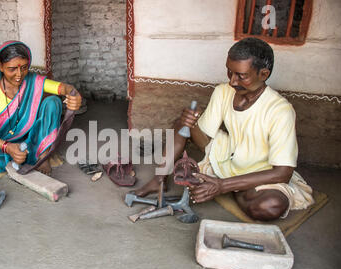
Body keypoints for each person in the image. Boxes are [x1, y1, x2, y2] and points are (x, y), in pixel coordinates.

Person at [133, 37, 314, 221]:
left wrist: (222, 185)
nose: (232, 81)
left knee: (269, 207)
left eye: (241, 76)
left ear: (264, 74)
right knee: (183, 123)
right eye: (229, 72)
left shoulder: (280, 110)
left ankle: (235, 188)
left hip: (260, 171)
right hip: (228, 155)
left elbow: (283, 173)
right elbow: (202, 135)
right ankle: (159, 180)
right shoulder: (223, 91)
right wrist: (191, 120)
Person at [0, 40, 82, 177]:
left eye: (24, 67)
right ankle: (22, 157)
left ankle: (42, 155)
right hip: (1, 144)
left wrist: (73, 93)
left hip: (30, 141)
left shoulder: (33, 80)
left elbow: (64, 88)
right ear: (0, 66)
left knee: (52, 101)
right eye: (12, 69)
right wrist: (7, 147)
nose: (19, 74)